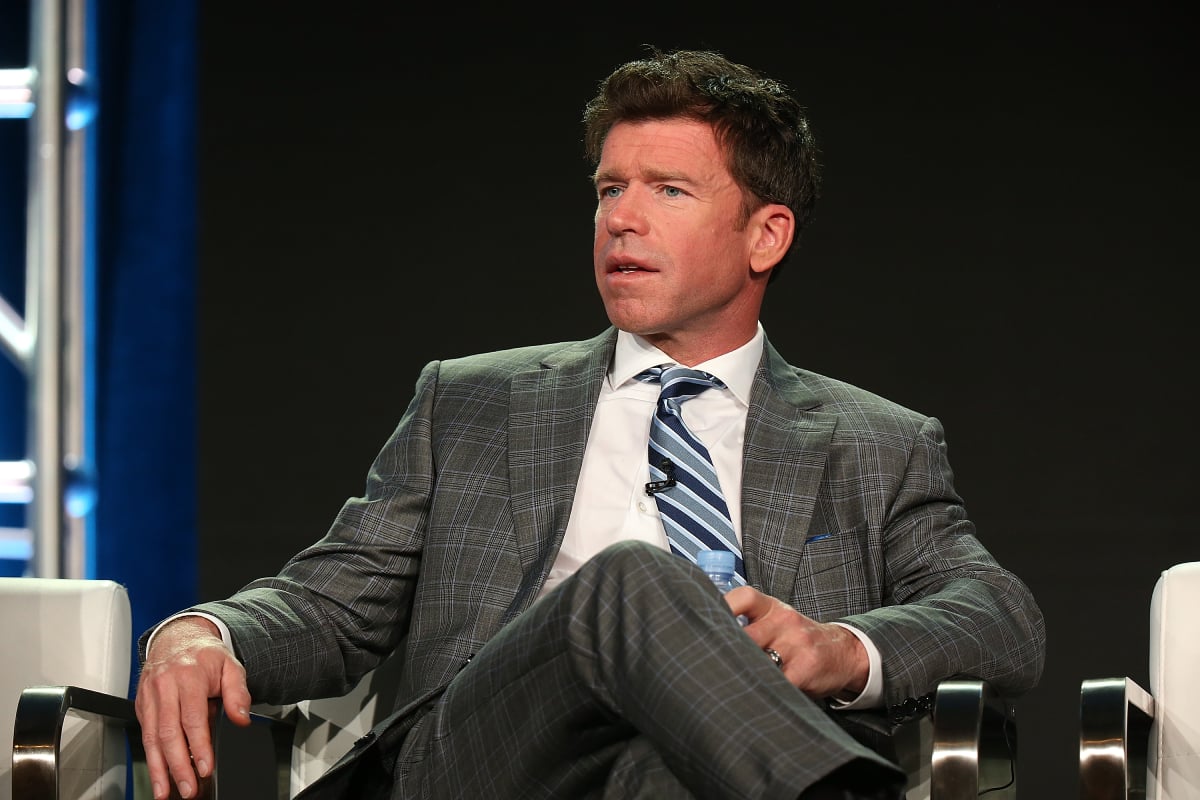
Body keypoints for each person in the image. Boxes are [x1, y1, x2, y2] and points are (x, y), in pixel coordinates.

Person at [134, 47, 1046, 800]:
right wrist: (203, 632)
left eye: (669, 191)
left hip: (703, 771)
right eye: (611, 190)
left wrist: (839, 649)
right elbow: (334, 603)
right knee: (634, 579)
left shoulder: (875, 441)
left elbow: (1000, 617)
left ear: (766, 235)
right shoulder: (472, 400)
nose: (622, 221)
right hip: (482, 760)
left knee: (661, 772)